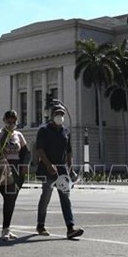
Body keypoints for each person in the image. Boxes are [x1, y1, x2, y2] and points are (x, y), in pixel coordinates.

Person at [35, 101, 84, 239]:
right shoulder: (43, 131)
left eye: (62, 114)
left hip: (62, 170)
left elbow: (69, 152)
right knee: (46, 197)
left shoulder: (66, 131)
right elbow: (39, 150)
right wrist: (48, 164)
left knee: (65, 198)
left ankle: (70, 228)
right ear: (52, 116)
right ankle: (40, 225)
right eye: (57, 114)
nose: (60, 116)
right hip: (47, 169)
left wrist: (71, 169)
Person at [0, 110, 29, 241]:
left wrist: (25, 165)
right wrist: (7, 133)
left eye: (14, 122)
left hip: (17, 169)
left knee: (11, 200)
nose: (12, 124)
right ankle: (5, 229)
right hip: (4, 168)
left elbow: (26, 151)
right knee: (9, 197)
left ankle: (6, 229)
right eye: (9, 122)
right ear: (4, 121)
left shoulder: (19, 134)